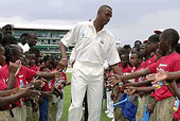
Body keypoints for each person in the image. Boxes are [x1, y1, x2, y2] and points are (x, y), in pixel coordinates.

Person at [57, 4, 123, 121]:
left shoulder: (109, 37)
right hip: (80, 68)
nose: (108, 18)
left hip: (97, 71)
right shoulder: (81, 27)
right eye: (107, 15)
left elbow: (113, 62)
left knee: (95, 108)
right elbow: (63, 43)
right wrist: (63, 58)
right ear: (98, 13)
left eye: (110, 17)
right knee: (76, 105)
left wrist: (123, 78)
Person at [108, 28, 180, 121]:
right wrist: (122, 78)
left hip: (169, 99)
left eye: (160, 41)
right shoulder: (162, 59)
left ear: (168, 42)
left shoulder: (177, 59)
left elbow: (176, 83)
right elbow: (144, 71)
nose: (159, 44)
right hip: (159, 99)